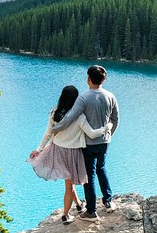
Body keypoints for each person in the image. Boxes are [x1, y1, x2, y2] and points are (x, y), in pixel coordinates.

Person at [28, 85, 112, 225]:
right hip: (73, 153)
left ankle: (79, 205)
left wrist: (39, 149)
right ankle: (66, 216)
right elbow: (91, 133)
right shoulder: (79, 116)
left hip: (57, 151)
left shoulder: (54, 112)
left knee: (69, 183)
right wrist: (107, 128)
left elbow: (48, 133)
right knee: (69, 185)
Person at [51, 65, 119, 222]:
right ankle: (108, 201)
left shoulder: (83, 97)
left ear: (88, 79)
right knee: (101, 168)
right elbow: (115, 119)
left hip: (88, 143)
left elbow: (70, 117)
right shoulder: (110, 96)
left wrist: (56, 128)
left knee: (90, 174)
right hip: (104, 141)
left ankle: (91, 211)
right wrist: (109, 135)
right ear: (104, 79)